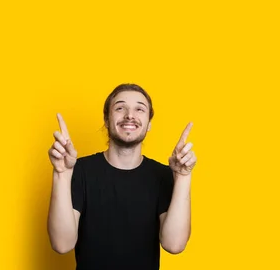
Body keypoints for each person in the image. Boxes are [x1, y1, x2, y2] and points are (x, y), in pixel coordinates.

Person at [47, 83, 197, 270]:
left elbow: (174, 245)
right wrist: (61, 174)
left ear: (149, 123)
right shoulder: (79, 171)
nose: (130, 115)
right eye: (120, 108)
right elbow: (62, 244)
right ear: (106, 119)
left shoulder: (162, 176)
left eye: (139, 109)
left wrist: (183, 176)